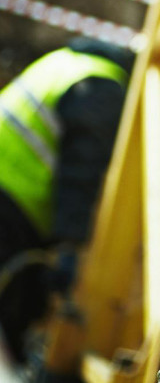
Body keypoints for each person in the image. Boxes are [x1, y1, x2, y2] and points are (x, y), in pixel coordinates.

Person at [0, 36, 132, 363]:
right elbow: (80, 174)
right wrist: (68, 245)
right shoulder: (102, 86)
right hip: (13, 204)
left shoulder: (64, 61)